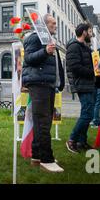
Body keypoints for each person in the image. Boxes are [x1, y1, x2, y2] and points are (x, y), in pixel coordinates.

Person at [22, 14, 65, 172]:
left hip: (47, 84)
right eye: (53, 23)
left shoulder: (49, 39)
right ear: (44, 25)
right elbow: (29, 58)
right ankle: (47, 159)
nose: (56, 26)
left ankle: (36, 155)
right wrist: (46, 52)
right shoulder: (34, 37)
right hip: (38, 84)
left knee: (42, 121)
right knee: (43, 122)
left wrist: (59, 83)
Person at [66, 23, 96, 153]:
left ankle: (81, 141)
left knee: (88, 113)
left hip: (89, 83)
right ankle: (72, 139)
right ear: (84, 32)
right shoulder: (74, 46)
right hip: (82, 83)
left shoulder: (85, 48)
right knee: (87, 114)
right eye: (90, 31)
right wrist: (92, 72)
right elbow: (74, 67)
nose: (91, 34)